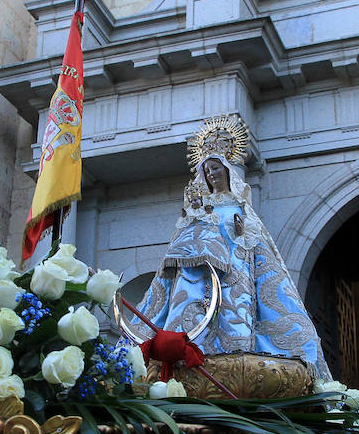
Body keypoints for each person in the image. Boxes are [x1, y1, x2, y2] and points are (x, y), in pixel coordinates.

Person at [132, 115, 331, 378]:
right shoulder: (199, 207)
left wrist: (239, 229)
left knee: (234, 319)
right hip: (195, 277)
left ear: (226, 169)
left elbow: (252, 243)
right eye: (207, 170)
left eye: (215, 168)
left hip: (233, 275)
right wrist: (193, 220)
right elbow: (182, 240)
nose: (212, 174)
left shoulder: (239, 206)